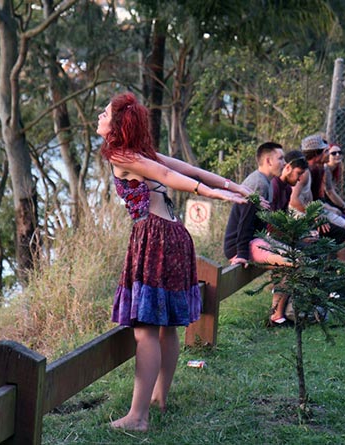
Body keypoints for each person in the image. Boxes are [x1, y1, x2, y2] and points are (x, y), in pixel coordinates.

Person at [97, 92, 249, 432]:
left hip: (154, 237)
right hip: (176, 235)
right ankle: (158, 398)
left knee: (147, 330)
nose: (99, 116)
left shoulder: (122, 155)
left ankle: (138, 417)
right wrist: (232, 187)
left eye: (104, 113)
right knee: (166, 326)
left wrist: (220, 191)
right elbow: (183, 171)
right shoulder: (140, 154)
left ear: (117, 124)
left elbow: (174, 176)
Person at [224, 145, 293, 324]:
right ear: (268, 161)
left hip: (256, 241)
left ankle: (280, 314)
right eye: (281, 158)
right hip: (243, 245)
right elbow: (244, 223)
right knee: (291, 262)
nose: (284, 163)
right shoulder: (257, 183)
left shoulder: (267, 182)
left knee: (292, 258)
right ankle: (278, 316)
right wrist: (241, 255)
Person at [289, 134, 345, 261]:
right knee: (341, 234)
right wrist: (315, 216)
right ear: (318, 154)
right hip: (298, 221)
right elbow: (293, 200)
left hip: (309, 217)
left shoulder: (316, 169)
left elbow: (312, 200)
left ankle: (344, 276)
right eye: (326, 151)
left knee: (342, 233)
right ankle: (344, 276)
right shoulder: (305, 172)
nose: (329, 154)